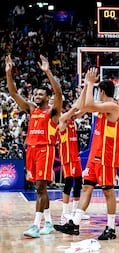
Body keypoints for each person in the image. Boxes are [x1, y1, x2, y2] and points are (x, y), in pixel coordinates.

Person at [54, 67, 119, 240]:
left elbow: (89, 105)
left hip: (107, 156)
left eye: (98, 91)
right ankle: (75, 223)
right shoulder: (100, 107)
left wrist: (90, 84)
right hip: (95, 155)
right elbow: (82, 105)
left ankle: (111, 228)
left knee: (108, 191)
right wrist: (86, 86)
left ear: (102, 91)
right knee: (86, 187)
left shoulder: (113, 106)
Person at [6, 55, 62, 238]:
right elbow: (13, 93)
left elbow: (59, 93)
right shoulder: (31, 109)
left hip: (45, 149)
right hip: (31, 150)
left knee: (40, 187)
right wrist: (9, 73)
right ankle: (49, 223)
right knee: (39, 189)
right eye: (35, 94)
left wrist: (48, 72)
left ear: (47, 97)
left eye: (40, 94)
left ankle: (36, 226)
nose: (37, 96)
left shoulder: (52, 112)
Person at [57, 100, 90, 224]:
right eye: (69, 107)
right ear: (65, 109)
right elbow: (74, 111)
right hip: (67, 157)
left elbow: (81, 111)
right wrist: (75, 107)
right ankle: (64, 213)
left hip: (75, 156)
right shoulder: (62, 120)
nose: (72, 108)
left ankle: (75, 211)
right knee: (68, 183)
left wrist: (89, 103)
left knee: (78, 184)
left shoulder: (72, 120)